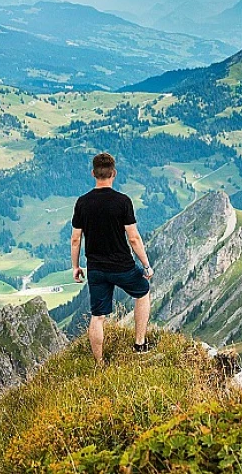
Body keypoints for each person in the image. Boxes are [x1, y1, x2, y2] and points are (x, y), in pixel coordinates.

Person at [71, 152, 154, 365]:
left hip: (96, 268)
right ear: (113, 174)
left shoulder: (82, 203)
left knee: (98, 316)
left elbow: (75, 239)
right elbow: (134, 239)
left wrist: (76, 267)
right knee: (143, 292)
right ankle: (140, 344)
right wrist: (146, 265)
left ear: (93, 173)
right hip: (122, 266)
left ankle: (99, 363)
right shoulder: (122, 202)